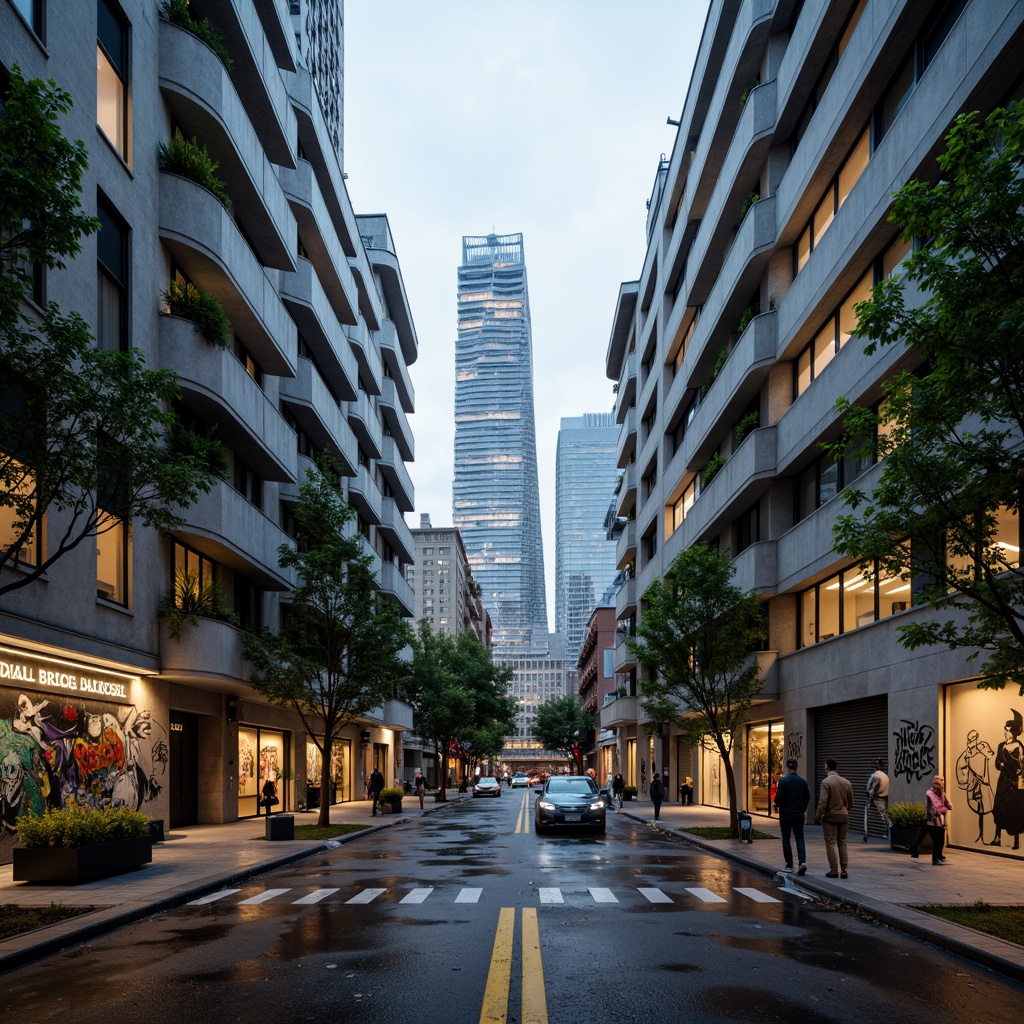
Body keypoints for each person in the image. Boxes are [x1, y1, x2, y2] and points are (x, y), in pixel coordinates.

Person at [990, 709, 1024, 850]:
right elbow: (997, 764)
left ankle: (1016, 841)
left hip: (1014, 782)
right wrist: (1002, 763)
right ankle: (997, 838)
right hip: (1003, 782)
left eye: (1009, 731)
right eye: (1005, 730)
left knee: (1014, 810)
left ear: (1014, 732)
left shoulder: (1019, 746)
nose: (1006, 733)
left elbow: (1021, 765)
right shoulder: (1001, 745)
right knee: (999, 807)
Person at [815, 756, 854, 878]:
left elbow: (823, 801)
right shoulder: (846, 782)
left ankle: (833, 869)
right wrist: (844, 810)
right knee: (842, 842)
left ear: (826, 766)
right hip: (844, 816)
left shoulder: (826, 782)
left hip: (830, 816)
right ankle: (844, 870)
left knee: (830, 843)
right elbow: (851, 802)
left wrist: (818, 816)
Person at [956, 728, 995, 843]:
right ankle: (979, 834)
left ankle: (988, 836)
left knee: (987, 808)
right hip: (973, 785)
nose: (970, 742)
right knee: (978, 809)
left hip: (983, 784)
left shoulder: (983, 746)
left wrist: (978, 748)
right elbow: (961, 764)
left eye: (972, 739)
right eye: (969, 740)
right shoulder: (967, 752)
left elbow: (989, 756)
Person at [774, 758, 810, 874]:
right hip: (799, 814)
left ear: (787, 767)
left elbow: (778, 799)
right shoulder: (802, 782)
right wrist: (802, 809)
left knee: (786, 838)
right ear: (796, 767)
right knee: (800, 837)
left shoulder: (783, 781)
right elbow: (807, 798)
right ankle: (802, 862)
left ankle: (789, 865)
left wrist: (780, 805)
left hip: (786, 814)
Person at [910, 775, 954, 864]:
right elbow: (937, 805)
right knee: (936, 839)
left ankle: (938, 855)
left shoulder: (941, 793)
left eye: (943, 781)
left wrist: (947, 805)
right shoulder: (929, 793)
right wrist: (944, 808)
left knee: (939, 837)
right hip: (932, 819)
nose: (942, 783)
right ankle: (935, 858)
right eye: (940, 782)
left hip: (941, 820)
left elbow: (948, 804)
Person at [864, 759, 890, 841]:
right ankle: (889, 833)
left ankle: (866, 833)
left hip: (876, 798)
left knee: (867, 815)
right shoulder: (885, 776)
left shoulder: (875, 776)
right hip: (884, 798)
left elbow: (871, 789)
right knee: (885, 816)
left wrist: (870, 797)